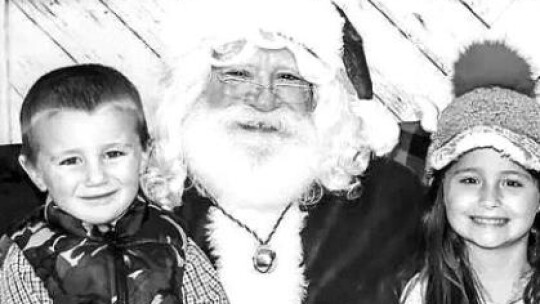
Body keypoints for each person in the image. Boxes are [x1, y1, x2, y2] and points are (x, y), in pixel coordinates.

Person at [143, 0, 426, 303]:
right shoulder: (144, 214)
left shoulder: (385, 205)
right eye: (238, 74)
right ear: (195, 88)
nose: (264, 100)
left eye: (289, 78)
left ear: (318, 99)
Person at [0, 64, 228, 303]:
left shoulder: (173, 238)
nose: (96, 177)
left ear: (143, 156)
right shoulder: (28, 256)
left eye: (113, 154)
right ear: (35, 172)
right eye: (70, 161)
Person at [400, 41, 540, 304]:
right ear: (443, 192)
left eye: (511, 182)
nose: (489, 198)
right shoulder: (422, 294)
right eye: (470, 180)